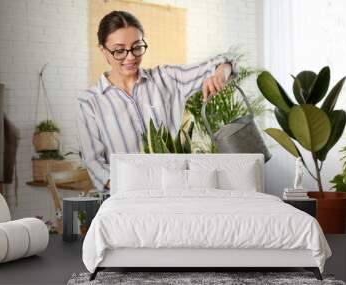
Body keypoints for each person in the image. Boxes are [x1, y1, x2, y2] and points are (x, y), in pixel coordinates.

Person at [77, 11, 239, 191]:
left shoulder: (167, 78)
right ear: (103, 51)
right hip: (127, 198)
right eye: (119, 51)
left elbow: (226, 62)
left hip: (173, 191)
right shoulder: (90, 103)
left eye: (137, 47)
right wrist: (134, 189)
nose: (130, 57)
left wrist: (219, 74)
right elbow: (95, 165)